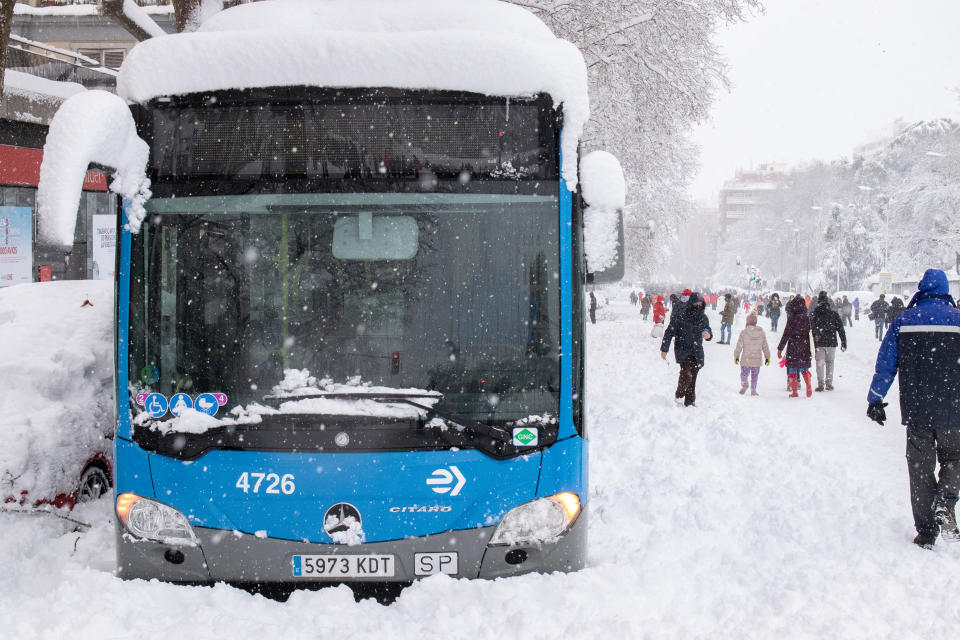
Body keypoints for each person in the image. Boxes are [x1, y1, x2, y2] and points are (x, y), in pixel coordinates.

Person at [867, 269, 960, 548]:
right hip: (954, 409)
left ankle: (927, 532)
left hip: (918, 409)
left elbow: (886, 363)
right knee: (956, 458)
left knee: (920, 469)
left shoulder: (903, 321)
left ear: (921, 289)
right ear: (945, 291)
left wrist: (875, 398)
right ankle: (945, 500)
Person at [661, 292, 713, 406]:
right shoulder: (680, 316)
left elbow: (708, 330)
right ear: (691, 303)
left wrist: (708, 334)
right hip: (682, 349)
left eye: (700, 304)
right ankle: (679, 395)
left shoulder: (703, 318)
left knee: (693, 375)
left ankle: (690, 401)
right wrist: (664, 349)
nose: (698, 306)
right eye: (696, 304)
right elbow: (669, 332)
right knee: (687, 374)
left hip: (697, 350)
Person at [777, 295, 814, 397]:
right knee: (804, 368)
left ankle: (794, 391)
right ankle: (808, 384)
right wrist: (815, 347)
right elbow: (813, 334)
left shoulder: (792, 318)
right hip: (805, 346)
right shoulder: (808, 318)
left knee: (792, 368)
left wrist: (780, 348)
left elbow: (786, 334)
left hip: (793, 345)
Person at [811, 291, 847, 391]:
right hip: (831, 342)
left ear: (819, 301)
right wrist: (843, 342)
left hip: (819, 342)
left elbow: (811, 329)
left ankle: (821, 384)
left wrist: (811, 341)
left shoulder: (814, 314)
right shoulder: (833, 314)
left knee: (820, 363)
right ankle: (829, 383)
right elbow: (840, 329)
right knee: (830, 362)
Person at [733, 312, 770, 395]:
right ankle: (753, 389)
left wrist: (736, 356)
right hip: (757, 360)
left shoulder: (744, 332)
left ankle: (744, 383)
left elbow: (739, 346)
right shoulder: (761, 333)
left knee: (744, 373)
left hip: (746, 358)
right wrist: (767, 357)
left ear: (748, 322)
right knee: (755, 376)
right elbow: (765, 346)